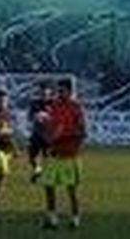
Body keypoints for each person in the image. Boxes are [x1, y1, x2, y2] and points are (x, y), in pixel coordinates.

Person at [41, 78, 86, 230]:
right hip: (53, 154)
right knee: (48, 186)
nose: (59, 93)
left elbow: (82, 131)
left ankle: (75, 218)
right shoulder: (53, 106)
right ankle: (52, 218)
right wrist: (48, 135)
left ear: (70, 91)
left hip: (69, 155)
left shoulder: (76, 108)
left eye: (62, 91)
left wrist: (63, 134)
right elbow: (48, 129)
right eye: (58, 91)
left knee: (71, 190)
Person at [27, 82, 54, 183]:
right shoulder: (35, 103)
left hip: (48, 135)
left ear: (50, 93)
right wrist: (36, 116)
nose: (44, 95)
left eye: (46, 93)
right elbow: (30, 117)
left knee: (47, 155)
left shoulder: (54, 104)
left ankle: (45, 174)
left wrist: (48, 118)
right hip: (37, 133)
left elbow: (57, 117)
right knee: (32, 156)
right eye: (42, 93)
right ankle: (38, 170)